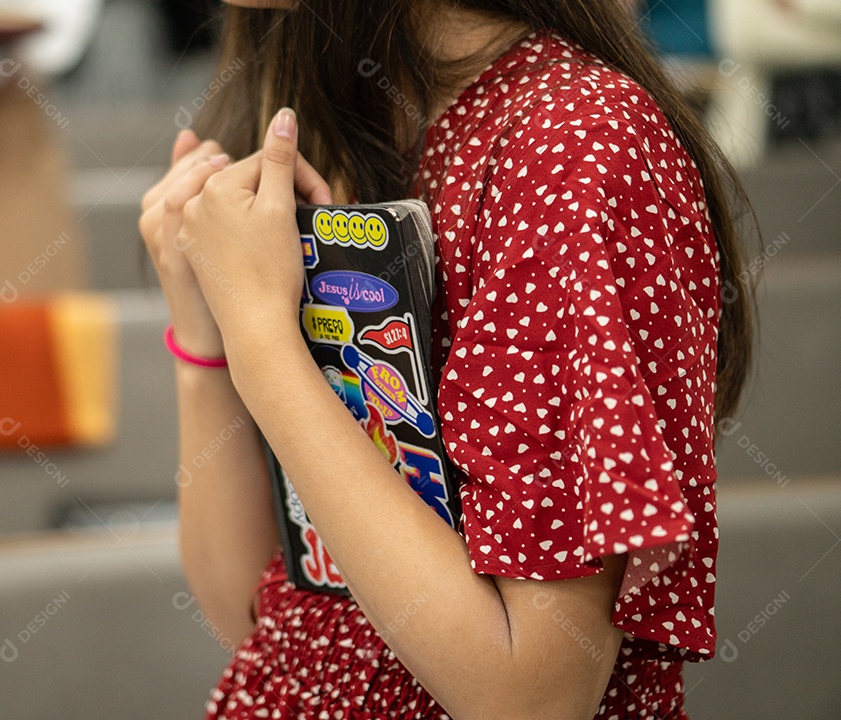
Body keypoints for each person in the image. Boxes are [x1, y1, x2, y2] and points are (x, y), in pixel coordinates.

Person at [139, 1, 754, 718]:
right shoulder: (334, 102)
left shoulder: (573, 140)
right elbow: (260, 611)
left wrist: (260, 340)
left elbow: (534, 697)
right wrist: (204, 338)